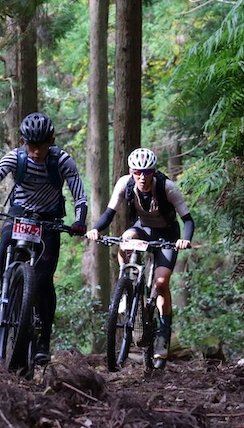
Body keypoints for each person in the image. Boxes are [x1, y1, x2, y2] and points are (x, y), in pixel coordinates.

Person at [0, 112, 88, 365]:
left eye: (40, 145)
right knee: (3, 251)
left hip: (49, 219)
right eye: (30, 145)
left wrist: (79, 221)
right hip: (19, 214)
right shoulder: (15, 157)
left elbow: (80, 196)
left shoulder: (63, 161)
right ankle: (6, 291)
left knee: (44, 280)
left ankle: (43, 342)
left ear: (51, 140)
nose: (35, 151)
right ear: (23, 142)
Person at [85, 147, 194, 361]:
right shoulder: (125, 184)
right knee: (124, 243)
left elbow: (187, 219)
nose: (142, 177)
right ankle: (127, 288)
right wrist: (96, 229)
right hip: (142, 228)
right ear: (131, 171)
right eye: (137, 172)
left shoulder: (167, 188)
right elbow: (109, 213)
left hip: (167, 235)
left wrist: (185, 239)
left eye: (147, 172)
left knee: (161, 284)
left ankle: (163, 335)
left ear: (154, 171)